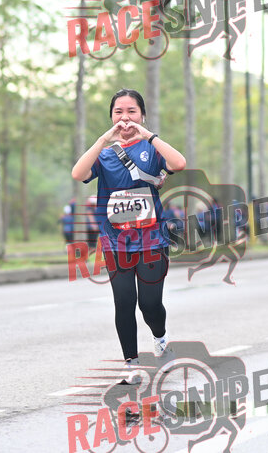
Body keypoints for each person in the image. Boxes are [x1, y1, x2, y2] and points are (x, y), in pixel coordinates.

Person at [71, 88, 186, 383]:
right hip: (115, 242)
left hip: (151, 241)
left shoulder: (152, 149)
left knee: (149, 304)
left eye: (132, 111)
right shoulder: (104, 155)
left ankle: (160, 338)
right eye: (118, 112)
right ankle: (131, 364)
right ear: (111, 117)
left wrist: (149, 136)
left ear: (142, 115)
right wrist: (103, 140)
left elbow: (178, 164)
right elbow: (78, 173)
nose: (125, 118)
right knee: (124, 302)